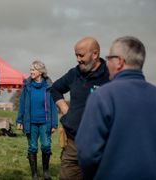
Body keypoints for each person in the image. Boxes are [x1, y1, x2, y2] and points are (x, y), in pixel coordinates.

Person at [75, 36, 156, 180]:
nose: (106, 63)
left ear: (119, 61)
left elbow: (87, 152)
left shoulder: (102, 96)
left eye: (109, 58)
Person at [51, 36, 109, 179]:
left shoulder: (111, 75)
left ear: (95, 54)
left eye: (81, 55)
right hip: (73, 144)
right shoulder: (74, 73)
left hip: (101, 145)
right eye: (76, 55)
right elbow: (55, 89)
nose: (78, 59)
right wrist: (65, 110)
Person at [16, 60, 58, 180]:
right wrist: (19, 121)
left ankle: (46, 172)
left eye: (33, 70)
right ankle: (34, 174)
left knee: (46, 146)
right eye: (30, 70)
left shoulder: (48, 87)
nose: (31, 72)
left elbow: (53, 106)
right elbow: (22, 104)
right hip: (31, 122)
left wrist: (54, 123)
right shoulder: (27, 86)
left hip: (45, 122)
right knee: (32, 147)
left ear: (40, 71)